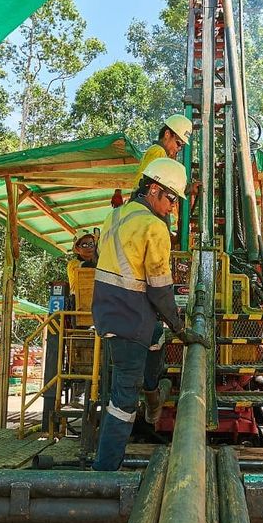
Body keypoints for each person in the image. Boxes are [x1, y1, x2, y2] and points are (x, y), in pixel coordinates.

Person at [92, 157, 206, 471]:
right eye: (171, 199)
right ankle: (105, 469)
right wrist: (181, 328)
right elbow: (159, 287)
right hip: (131, 320)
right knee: (124, 399)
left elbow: (108, 262)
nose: (173, 207)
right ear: (153, 189)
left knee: (156, 337)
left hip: (109, 314)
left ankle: (153, 393)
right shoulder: (153, 227)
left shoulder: (113, 217)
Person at [133, 114, 193, 188]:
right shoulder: (158, 151)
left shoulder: (160, 153)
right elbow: (156, 184)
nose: (179, 148)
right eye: (178, 143)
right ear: (167, 134)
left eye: (182, 146)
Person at [66, 230, 97, 309]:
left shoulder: (96, 264)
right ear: (77, 248)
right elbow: (85, 266)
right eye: (84, 245)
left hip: (94, 303)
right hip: (77, 304)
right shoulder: (73, 263)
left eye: (91, 244)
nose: (89, 247)